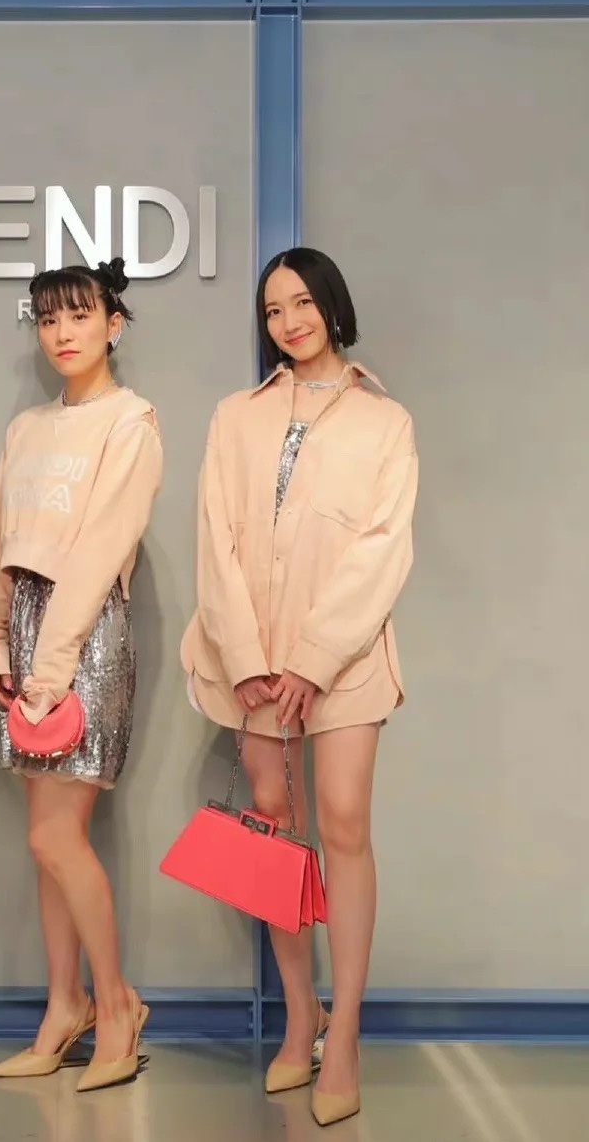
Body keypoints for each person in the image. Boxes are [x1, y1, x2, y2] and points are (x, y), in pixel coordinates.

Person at [181, 247, 418, 1127]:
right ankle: (299, 1015)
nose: (290, 321)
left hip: (344, 662)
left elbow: (383, 548)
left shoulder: (384, 422)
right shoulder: (235, 416)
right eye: (274, 308)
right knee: (276, 830)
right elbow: (216, 537)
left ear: (332, 306)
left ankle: (344, 1033)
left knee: (344, 826)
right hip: (250, 660)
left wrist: (315, 659)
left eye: (304, 302)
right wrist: (247, 655)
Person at [0, 258, 162, 1093]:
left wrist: (49, 667)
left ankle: (117, 1006)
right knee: (46, 842)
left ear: (113, 326)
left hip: (83, 638)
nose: (62, 334)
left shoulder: (131, 422)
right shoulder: (26, 428)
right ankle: (64, 1007)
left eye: (79, 316)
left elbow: (99, 552)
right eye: (48, 319)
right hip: (25, 631)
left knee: (56, 837)